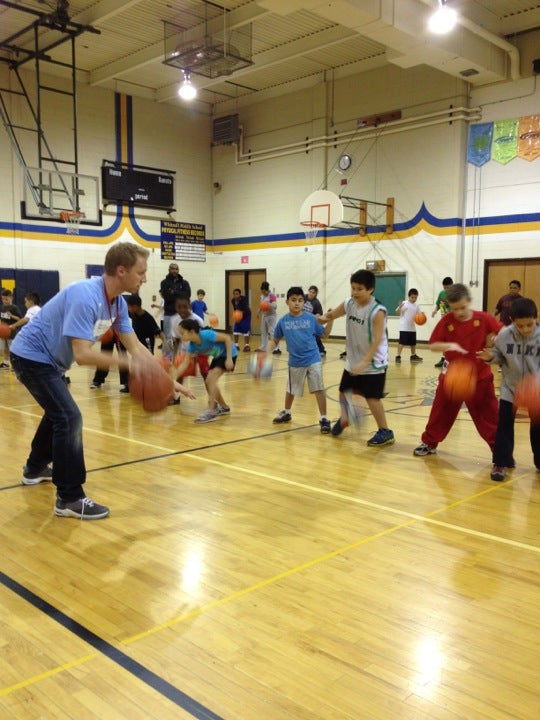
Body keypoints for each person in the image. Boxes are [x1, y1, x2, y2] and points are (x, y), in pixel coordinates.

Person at [10, 241, 193, 521]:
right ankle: (69, 498)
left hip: (49, 361)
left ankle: (34, 468)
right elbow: (83, 355)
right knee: (69, 418)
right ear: (121, 271)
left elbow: (136, 348)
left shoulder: (117, 303)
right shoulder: (86, 296)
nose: (145, 278)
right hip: (31, 358)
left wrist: (167, 380)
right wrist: (130, 366)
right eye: (141, 272)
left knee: (58, 413)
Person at [413, 283, 502, 458]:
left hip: (479, 376)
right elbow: (433, 345)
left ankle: (499, 450)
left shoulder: (484, 318)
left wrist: (497, 339)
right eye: (455, 309)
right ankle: (430, 442)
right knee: (440, 411)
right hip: (452, 375)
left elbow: (504, 333)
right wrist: (450, 345)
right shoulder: (446, 321)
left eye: (462, 307)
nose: (459, 313)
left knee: (489, 415)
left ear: (469, 301)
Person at [323, 269, 395, 447]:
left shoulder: (378, 311)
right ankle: (346, 418)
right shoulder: (349, 303)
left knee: (372, 398)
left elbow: (378, 339)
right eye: (353, 288)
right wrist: (322, 318)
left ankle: (385, 432)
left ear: (370, 289)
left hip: (374, 361)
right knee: (343, 391)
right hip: (354, 358)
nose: (354, 292)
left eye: (359, 289)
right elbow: (333, 314)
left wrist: (365, 361)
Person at [477, 297, 540, 481]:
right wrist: (490, 357)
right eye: (520, 326)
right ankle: (501, 462)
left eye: (530, 324)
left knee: (538, 428)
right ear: (512, 321)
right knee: (503, 425)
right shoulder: (504, 335)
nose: (526, 329)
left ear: (536, 318)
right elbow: (499, 356)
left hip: (535, 391)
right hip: (510, 389)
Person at [269, 286, 333, 433]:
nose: (297, 303)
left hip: (313, 359)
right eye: (293, 300)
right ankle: (287, 412)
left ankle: (324, 418)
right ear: (287, 302)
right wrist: (265, 352)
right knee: (291, 389)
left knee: (318, 388)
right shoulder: (283, 321)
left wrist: (331, 319)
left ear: (303, 302)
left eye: (300, 300)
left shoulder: (311, 318)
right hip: (295, 361)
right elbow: (275, 340)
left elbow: (325, 334)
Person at [176, 318, 237, 424]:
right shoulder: (192, 346)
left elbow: (227, 338)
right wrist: (173, 376)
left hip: (229, 354)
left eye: (182, 333)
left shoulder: (207, 335)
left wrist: (229, 358)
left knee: (211, 379)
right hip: (218, 357)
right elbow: (184, 364)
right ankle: (224, 407)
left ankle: (212, 409)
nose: (181, 336)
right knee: (209, 381)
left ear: (191, 331)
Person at [169, 296, 209, 405]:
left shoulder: (198, 320)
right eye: (179, 307)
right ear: (175, 308)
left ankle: (212, 397)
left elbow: (203, 339)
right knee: (179, 374)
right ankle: (176, 396)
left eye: (184, 307)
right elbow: (176, 341)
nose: (182, 310)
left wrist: (197, 354)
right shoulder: (174, 320)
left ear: (189, 307)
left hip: (200, 350)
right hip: (185, 351)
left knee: (206, 374)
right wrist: (174, 358)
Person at [160, 262, 191, 346]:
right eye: (173, 269)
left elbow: (187, 295)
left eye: (176, 269)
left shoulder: (184, 283)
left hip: (181, 314)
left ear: (178, 270)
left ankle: (181, 357)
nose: (174, 270)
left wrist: (174, 292)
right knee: (168, 338)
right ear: (169, 270)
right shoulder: (164, 283)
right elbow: (167, 297)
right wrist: (180, 295)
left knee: (182, 336)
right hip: (169, 314)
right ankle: (167, 358)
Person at [395, 288, 423, 363]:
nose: (414, 299)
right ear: (408, 296)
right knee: (402, 342)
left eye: (415, 297)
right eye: (412, 297)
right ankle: (398, 355)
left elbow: (419, 315)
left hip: (412, 327)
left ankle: (413, 355)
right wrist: (400, 307)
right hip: (404, 327)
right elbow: (397, 313)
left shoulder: (416, 305)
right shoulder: (404, 303)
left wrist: (422, 316)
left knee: (413, 343)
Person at [431, 276, 453, 367]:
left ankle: (452, 358)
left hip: (453, 321)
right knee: (444, 340)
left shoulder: (456, 295)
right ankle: (444, 358)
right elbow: (438, 305)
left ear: (452, 285)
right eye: (445, 287)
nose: (446, 289)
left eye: (448, 287)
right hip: (444, 320)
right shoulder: (441, 294)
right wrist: (435, 311)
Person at [0, 288, 22, 369]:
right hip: (3, 333)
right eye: (3, 299)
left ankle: (15, 365)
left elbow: (20, 319)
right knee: (5, 349)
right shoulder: (2, 307)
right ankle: (6, 363)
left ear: (11, 298)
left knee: (13, 349)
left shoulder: (14, 308)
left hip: (11, 332)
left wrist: (12, 316)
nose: (4, 301)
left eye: (6, 299)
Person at [257, 281, 280, 354]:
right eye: (262, 292)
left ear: (267, 290)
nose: (263, 293)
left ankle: (277, 348)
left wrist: (268, 304)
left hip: (271, 316)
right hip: (264, 315)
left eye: (264, 292)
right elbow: (261, 305)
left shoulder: (272, 296)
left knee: (272, 332)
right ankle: (264, 347)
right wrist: (258, 311)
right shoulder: (262, 296)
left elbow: (275, 306)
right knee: (263, 331)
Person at [304, 285, 326, 356]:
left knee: (316, 336)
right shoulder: (303, 297)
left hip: (311, 322)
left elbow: (319, 314)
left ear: (316, 294)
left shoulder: (316, 302)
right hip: (302, 321)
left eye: (313, 293)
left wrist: (311, 318)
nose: (311, 294)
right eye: (310, 292)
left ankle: (322, 350)